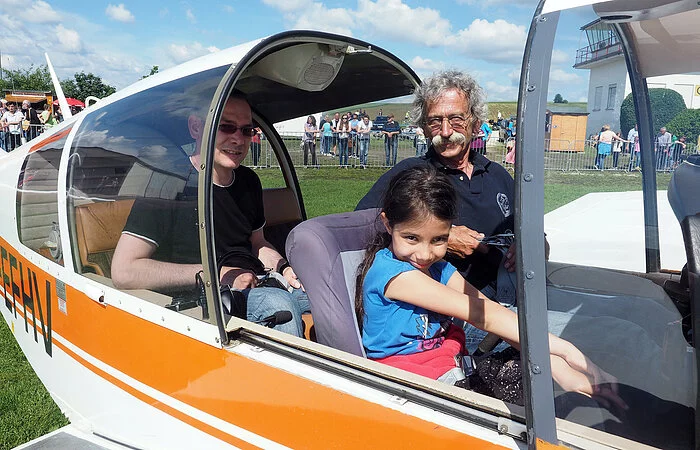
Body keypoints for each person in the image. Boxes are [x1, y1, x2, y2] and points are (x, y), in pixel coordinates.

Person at [356, 165, 621, 407]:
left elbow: (488, 308)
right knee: (542, 392)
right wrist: (566, 351)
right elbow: (486, 317)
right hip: (413, 385)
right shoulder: (394, 275)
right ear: (388, 224)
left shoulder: (436, 268)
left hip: (451, 369)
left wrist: (557, 365)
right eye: (411, 238)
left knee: (534, 370)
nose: (424, 254)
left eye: (438, 239)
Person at [112, 92, 309, 337]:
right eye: (226, 127)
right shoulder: (168, 183)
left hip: (256, 282)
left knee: (324, 293)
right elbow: (124, 271)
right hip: (202, 300)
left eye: (247, 130)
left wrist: (285, 268)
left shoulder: (248, 182)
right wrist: (217, 275)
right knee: (279, 306)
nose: (238, 139)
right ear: (196, 127)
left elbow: (257, 243)